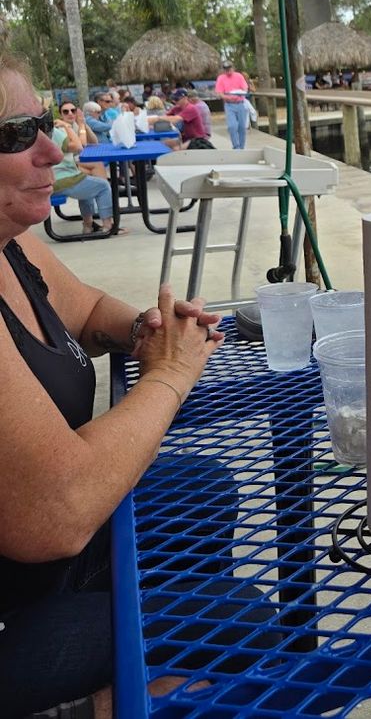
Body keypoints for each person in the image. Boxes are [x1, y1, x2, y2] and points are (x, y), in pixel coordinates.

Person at [0, 52, 225, 715]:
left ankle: (122, 692)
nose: (52, 147)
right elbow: (60, 508)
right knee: (241, 616)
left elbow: (91, 309)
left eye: (42, 121)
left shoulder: (12, 244)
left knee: (203, 492)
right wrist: (171, 373)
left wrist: (147, 328)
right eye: (16, 135)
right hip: (15, 607)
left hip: (42, 569)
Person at [52, 111, 122, 236]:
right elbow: (80, 145)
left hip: (63, 171)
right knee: (103, 186)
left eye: (73, 110)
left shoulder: (67, 127)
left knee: (90, 179)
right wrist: (68, 127)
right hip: (62, 175)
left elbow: (93, 141)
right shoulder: (56, 130)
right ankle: (108, 225)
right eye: (66, 111)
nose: (70, 114)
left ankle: (88, 225)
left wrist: (84, 125)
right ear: (60, 115)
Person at [214, 61, 250, 149]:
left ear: (233, 68)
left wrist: (241, 93)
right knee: (232, 126)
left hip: (240, 103)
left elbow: (245, 88)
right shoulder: (221, 78)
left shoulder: (239, 76)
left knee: (242, 126)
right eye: (226, 69)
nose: (228, 71)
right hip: (229, 104)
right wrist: (227, 97)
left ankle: (242, 147)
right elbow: (219, 92)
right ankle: (236, 146)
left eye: (229, 68)